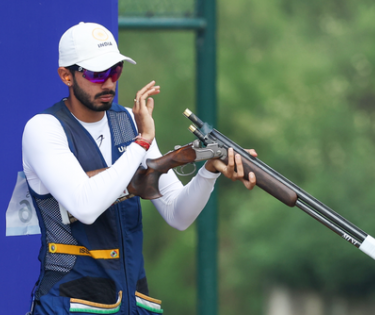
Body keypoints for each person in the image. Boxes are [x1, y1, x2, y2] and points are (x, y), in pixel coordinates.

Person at [22, 22, 256, 315]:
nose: (108, 82)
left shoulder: (129, 123)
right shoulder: (44, 128)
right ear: (66, 76)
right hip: (70, 304)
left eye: (115, 70)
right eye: (97, 74)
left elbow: (178, 214)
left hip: (134, 302)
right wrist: (143, 143)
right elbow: (85, 205)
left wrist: (208, 170)